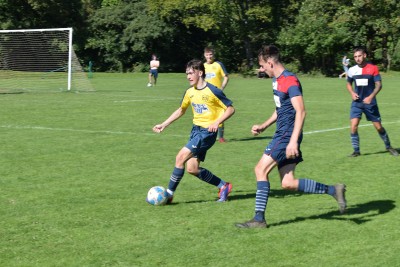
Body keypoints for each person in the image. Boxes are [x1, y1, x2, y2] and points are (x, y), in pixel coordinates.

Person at [235, 45, 347, 229]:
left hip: (287, 135)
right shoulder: (277, 81)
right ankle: (333, 190)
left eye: (262, 65)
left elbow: (301, 111)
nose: (261, 69)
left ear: (270, 62)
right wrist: (264, 125)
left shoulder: (290, 81)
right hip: (284, 133)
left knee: (260, 170)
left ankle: (259, 219)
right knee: (288, 183)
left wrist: (293, 140)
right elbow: (281, 109)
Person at [152, 59, 235, 203]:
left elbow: (231, 108)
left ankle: (169, 194)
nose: (188, 76)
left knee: (180, 158)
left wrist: (217, 122)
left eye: (191, 73)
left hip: (207, 132)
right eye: (187, 74)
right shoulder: (189, 92)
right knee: (192, 168)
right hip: (195, 131)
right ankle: (224, 186)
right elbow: (181, 110)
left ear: (200, 72)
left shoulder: (213, 90)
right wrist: (164, 124)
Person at [346, 47, 398, 157]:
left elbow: (379, 85)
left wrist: (371, 97)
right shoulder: (351, 70)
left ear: (364, 55)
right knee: (353, 126)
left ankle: (389, 147)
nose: (357, 58)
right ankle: (356, 151)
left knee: (378, 127)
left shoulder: (373, 68)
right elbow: (348, 83)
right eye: (355, 57)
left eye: (359, 56)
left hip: (370, 103)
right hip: (357, 103)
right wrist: (351, 93)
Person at [203, 47, 229, 143]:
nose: (209, 56)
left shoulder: (218, 65)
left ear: (213, 55)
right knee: (206, 114)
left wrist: (221, 88)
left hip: (217, 94)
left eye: (211, 54)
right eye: (207, 54)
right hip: (206, 94)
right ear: (204, 55)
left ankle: (221, 137)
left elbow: (226, 77)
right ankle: (206, 135)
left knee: (221, 114)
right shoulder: (202, 66)